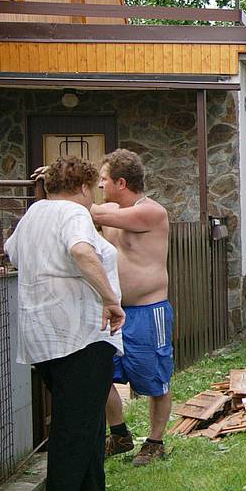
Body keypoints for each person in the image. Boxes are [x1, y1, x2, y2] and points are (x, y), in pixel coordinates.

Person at [5, 156, 125, 491]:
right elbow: (81, 252)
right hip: (80, 334)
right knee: (74, 425)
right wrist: (110, 299)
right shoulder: (73, 214)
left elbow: (12, 251)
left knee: (86, 419)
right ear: (85, 186)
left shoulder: (35, 213)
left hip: (44, 335)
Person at [91, 149, 173, 467]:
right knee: (99, 374)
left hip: (148, 312)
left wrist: (62, 192)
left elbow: (93, 214)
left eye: (103, 179)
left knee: (155, 380)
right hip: (114, 311)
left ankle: (155, 442)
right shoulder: (109, 209)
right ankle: (120, 435)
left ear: (120, 182)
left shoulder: (152, 213)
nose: (99, 185)